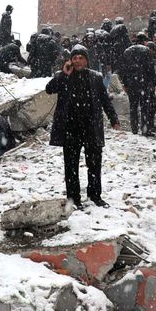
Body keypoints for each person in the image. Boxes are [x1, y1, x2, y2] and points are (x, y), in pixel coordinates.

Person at [46, 45, 120, 209]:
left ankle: (95, 195)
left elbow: (104, 100)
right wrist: (63, 75)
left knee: (94, 163)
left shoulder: (95, 77)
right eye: (75, 58)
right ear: (70, 61)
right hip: (70, 127)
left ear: (86, 60)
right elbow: (49, 89)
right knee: (71, 165)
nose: (77, 61)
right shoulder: (64, 76)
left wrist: (113, 118)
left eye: (81, 57)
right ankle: (74, 198)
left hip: (91, 127)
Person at [121, 33, 156, 136]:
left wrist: (125, 83)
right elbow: (151, 68)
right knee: (145, 107)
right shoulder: (146, 50)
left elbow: (124, 69)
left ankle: (134, 129)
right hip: (143, 83)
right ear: (144, 41)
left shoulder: (127, 51)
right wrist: (154, 81)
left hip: (132, 84)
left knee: (133, 107)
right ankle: (145, 129)